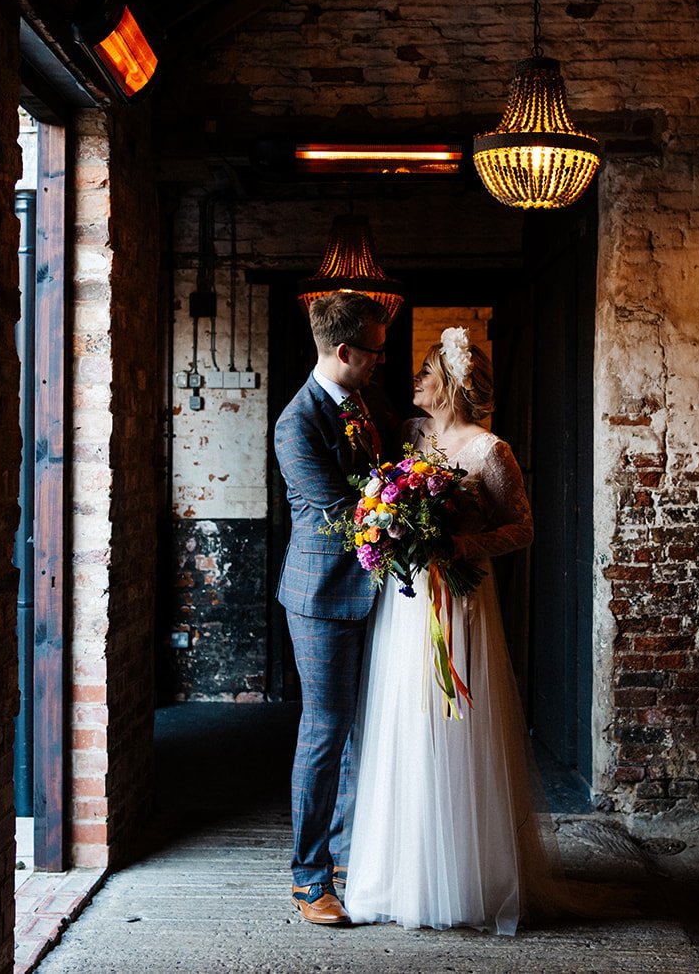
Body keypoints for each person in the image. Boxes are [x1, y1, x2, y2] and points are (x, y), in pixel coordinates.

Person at [343, 326, 553, 935]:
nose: (416, 382)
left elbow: (522, 529)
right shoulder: (410, 436)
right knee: (404, 719)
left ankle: (464, 877)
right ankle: (399, 872)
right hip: (409, 605)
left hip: (461, 602)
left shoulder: (492, 452)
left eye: (426, 373)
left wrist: (456, 543)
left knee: (456, 723)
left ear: (453, 387)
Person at [272, 291, 395, 926]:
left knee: (359, 729)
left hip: (369, 590)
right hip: (321, 597)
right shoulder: (297, 423)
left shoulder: (357, 405)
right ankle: (309, 877)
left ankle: (346, 856)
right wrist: (410, 511)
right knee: (324, 731)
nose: (381, 360)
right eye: (373, 350)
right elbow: (338, 513)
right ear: (343, 351)